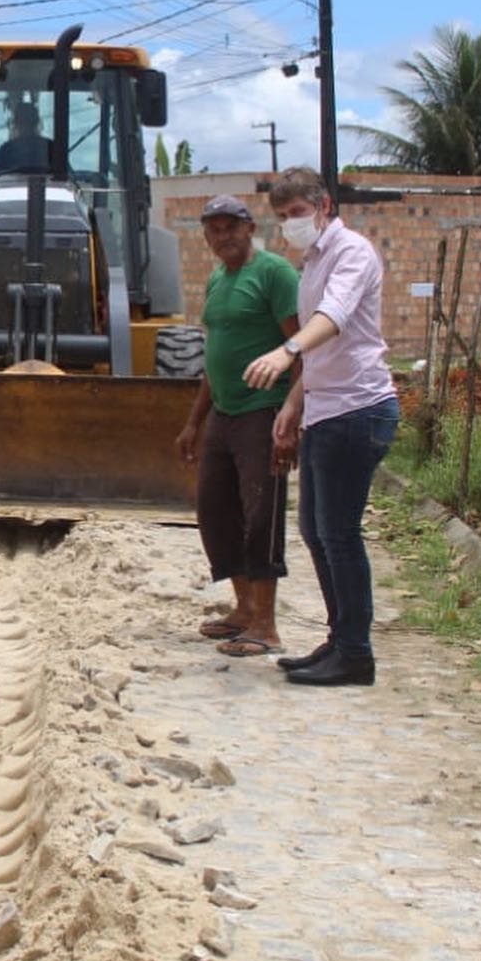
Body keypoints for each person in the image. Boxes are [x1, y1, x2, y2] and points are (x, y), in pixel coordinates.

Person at [243, 165, 399, 687]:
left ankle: (355, 652)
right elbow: (324, 349)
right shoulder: (312, 261)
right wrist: (294, 403)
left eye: (298, 212)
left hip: (357, 409)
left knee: (339, 533)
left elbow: (331, 320)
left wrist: (286, 351)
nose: (290, 223)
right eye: (282, 216)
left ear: (324, 206)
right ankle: (339, 639)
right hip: (325, 409)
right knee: (315, 530)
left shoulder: (351, 253)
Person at [176, 194, 301, 658]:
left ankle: (266, 625)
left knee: (261, 513)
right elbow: (217, 354)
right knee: (216, 511)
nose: (222, 236)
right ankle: (244, 607)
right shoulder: (218, 279)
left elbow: (300, 349)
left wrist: (292, 414)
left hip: (263, 411)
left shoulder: (274, 274)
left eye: (230, 227)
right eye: (213, 229)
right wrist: (194, 422)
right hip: (224, 414)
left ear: (250, 228)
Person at [0, 101, 51, 181]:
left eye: (28, 121)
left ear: (15, 124)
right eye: (22, 121)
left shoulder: (6, 150)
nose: (25, 125)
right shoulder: (51, 147)